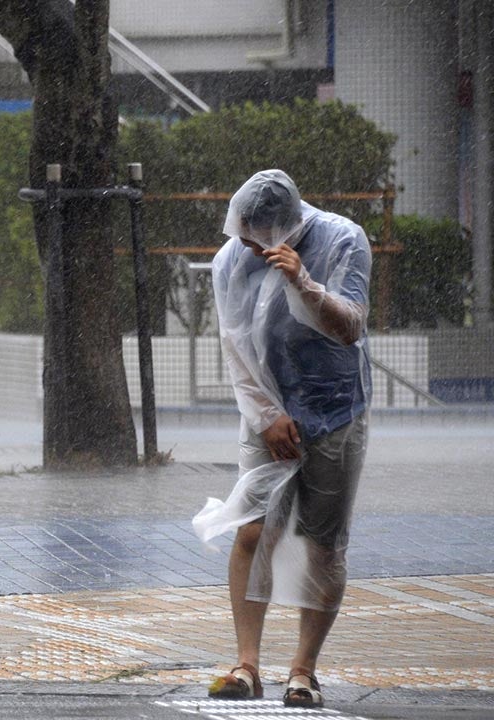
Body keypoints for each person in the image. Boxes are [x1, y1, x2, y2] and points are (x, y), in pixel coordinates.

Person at [193, 170, 372, 708]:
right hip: (265, 414)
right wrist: (266, 414)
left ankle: (303, 670)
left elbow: (351, 326)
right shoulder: (231, 259)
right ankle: (246, 664)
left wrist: (302, 281)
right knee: (251, 531)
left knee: (322, 545)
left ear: (282, 226)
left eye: (252, 232)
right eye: (239, 230)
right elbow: (234, 344)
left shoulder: (342, 239)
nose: (243, 242)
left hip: (336, 410)